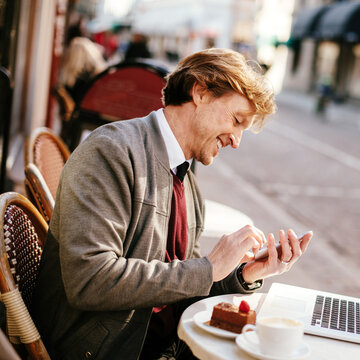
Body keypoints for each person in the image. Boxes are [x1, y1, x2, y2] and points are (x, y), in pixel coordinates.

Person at [32, 48, 313, 359]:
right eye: (236, 120)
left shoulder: (188, 185)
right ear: (200, 91)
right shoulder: (111, 151)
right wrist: (209, 267)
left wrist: (244, 272)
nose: (236, 140)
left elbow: (183, 293)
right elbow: (90, 280)